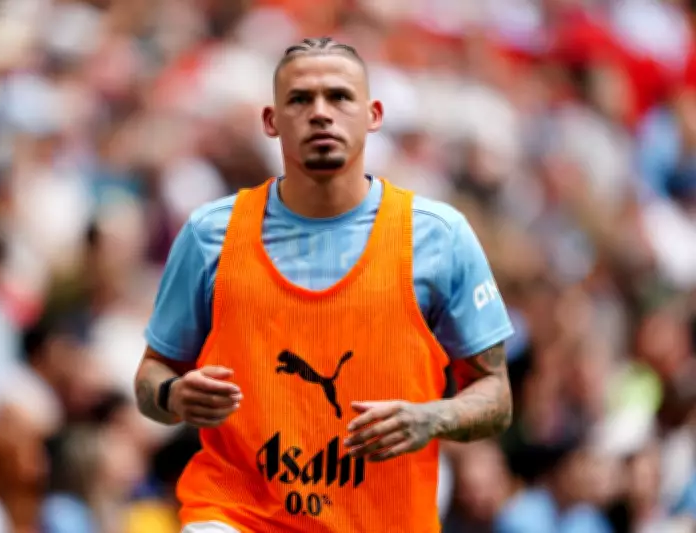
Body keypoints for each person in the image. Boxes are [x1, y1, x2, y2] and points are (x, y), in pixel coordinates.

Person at [135, 37, 515, 533]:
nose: (320, 113)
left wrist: (432, 418)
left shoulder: (438, 238)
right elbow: (151, 375)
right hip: (237, 516)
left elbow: (497, 396)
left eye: (339, 97)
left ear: (373, 115)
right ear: (271, 121)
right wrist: (173, 395)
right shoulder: (210, 235)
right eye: (300, 99)